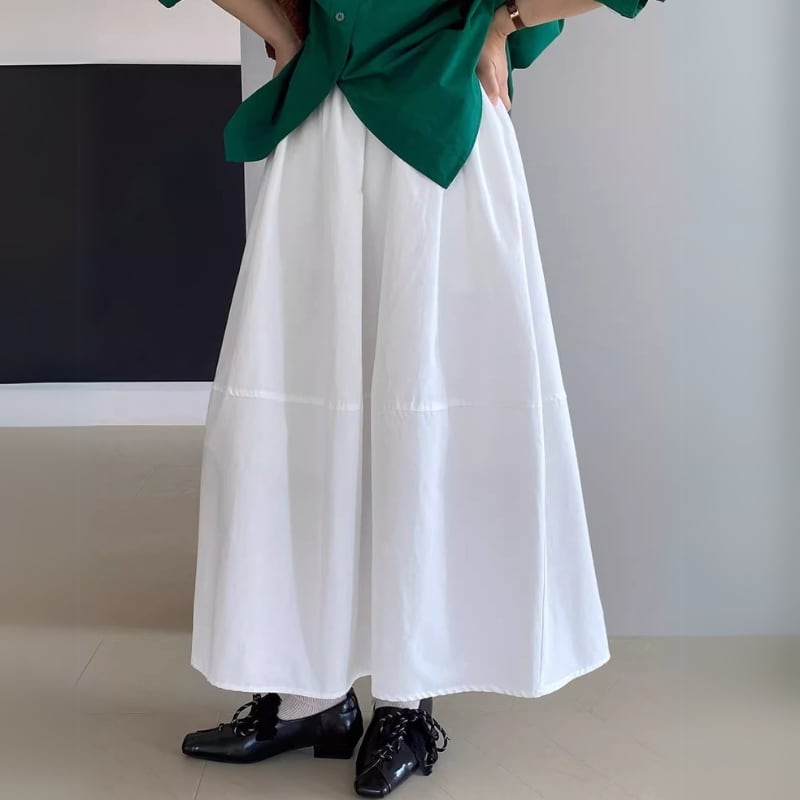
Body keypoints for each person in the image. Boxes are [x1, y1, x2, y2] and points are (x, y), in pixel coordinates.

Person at [156, 0, 661, 796]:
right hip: (324, 125)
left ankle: (406, 698)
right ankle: (311, 694)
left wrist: (506, 18)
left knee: (419, 406)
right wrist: (283, 27)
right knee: (300, 410)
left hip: (439, 136)